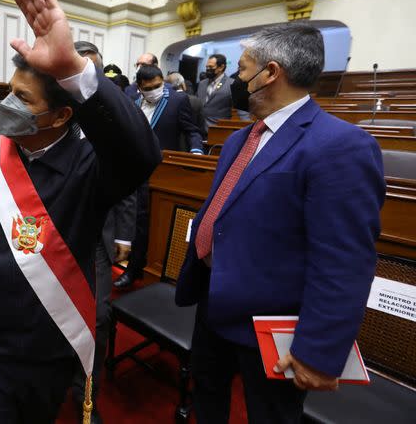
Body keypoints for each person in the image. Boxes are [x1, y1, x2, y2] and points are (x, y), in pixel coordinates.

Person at [0, 0, 161, 424]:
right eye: (8, 91)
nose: (7, 104)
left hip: (50, 344)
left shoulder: (92, 166)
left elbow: (142, 154)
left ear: (62, 115)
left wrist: (75, 69)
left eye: (22, 98)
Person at [176, 23, 385, 423]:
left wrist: (320, 349)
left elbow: (344, 259)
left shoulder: (340, 145)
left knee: (270, 415)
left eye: (242, 69)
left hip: (272, 325)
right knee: (206, 397)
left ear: (270, 73)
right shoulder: (240, 139)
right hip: (214, 299)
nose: (237, 78)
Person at [71, 41, 138, 423]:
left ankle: (86, 396)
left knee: (97, 319)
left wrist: (123, 238)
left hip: (97, 237)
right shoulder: (47, 112)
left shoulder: (114, 120)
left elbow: (129, 183)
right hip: (51, 236)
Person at [114, 64, 203, 289]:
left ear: (162, 80)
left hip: (159, 171)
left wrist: (196, 151)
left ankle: (134, 269)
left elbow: (191, 130)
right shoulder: (132, 100)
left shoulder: (177, 101)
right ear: (140, 87)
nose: (154, 90)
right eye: (148, 88)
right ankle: (123, 256)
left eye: (158, 86)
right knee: (127, 215)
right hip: (130, 166)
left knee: (143, 221)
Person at [197, 54, 248, 127]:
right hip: (199, 130)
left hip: (218, 130)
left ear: (221, 67)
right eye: (207, 67)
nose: (207, 69)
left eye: (211, 67)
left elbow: (243, 112)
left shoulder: (232, 84)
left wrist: (248, 129)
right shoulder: (202, 84)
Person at [167, 71, 207, 139]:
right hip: (191, 140)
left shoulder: (165, 100)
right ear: (183, 84)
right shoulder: (195, 100)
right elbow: (201, 124)